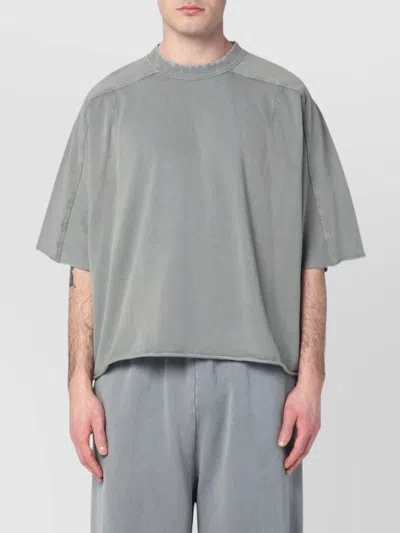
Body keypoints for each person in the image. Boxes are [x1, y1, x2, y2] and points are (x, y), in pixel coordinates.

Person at [35, 1, 366, 532]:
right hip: (131, 379)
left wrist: (311, 381)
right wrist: (78, 383)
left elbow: (313, 259)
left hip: (258, 381)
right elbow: (83, 267)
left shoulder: (285, 100)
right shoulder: (107, 106)